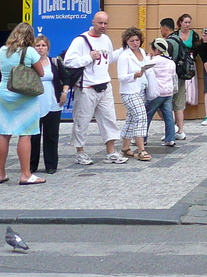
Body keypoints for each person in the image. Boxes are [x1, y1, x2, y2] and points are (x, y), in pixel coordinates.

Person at [63, 11, 128, 165]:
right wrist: (88, 58)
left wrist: (124, 49)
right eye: (100, 23)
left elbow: (109, 58)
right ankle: (80, 152)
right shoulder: (81, 40)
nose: (103, 26)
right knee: (82, 121)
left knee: (109, 120)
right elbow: (68, 61)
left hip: (104, 86)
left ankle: (111, 152)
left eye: (105, 23)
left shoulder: (105, 39)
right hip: (86, 88)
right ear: (93, 22)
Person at [0, 22, 47, 185]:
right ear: (30, 37)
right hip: (24, 94)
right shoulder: (30, 51)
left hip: (4, 91)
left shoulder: (3, 51)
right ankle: (25, 174)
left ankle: (1, 173)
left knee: (4, 133)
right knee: (25, 133)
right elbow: (41, 72)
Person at [29, 35, 67, 175]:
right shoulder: (29, 63)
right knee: (33, 136)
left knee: (51, 135)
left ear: (48, 48)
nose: (40, 48)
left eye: (43, 45)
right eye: (38, 45)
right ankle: (31, 165)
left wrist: (64, 92)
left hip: (53, 102)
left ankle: (51, 165)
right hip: (34, 103)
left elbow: (66, 77)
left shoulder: (55, 62)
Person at [117, 27, 152, 161]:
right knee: (141, 116)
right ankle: (141, 149)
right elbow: (121, 77)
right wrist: (134, 75)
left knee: (131, 119)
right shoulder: (124, 56)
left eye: (137, 40)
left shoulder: (142, 52)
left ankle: (125, 148)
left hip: (141, 89)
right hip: (129, 91)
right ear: (126, 41)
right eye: (132, 40)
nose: (135, 43)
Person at [145, 37, 178, 147]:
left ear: (157, 50)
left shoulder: (153, 61)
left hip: (156, 93)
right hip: (168, 92)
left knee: (147, 115)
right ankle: (170, 139)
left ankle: (142, 138)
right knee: (168, 116)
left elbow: (146, 71)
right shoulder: (171, 62)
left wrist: (148, 58)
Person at [173, 14, 198, 136]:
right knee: (177, 94)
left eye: (189, 22)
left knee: (187, 90)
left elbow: (197, 48)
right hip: (178, 66)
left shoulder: (194, 35)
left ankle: (179, 127)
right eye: (186, 22)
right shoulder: (175, 35)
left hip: (189, 64)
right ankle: (176, 126)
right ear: (180, 23)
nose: (187, 25)